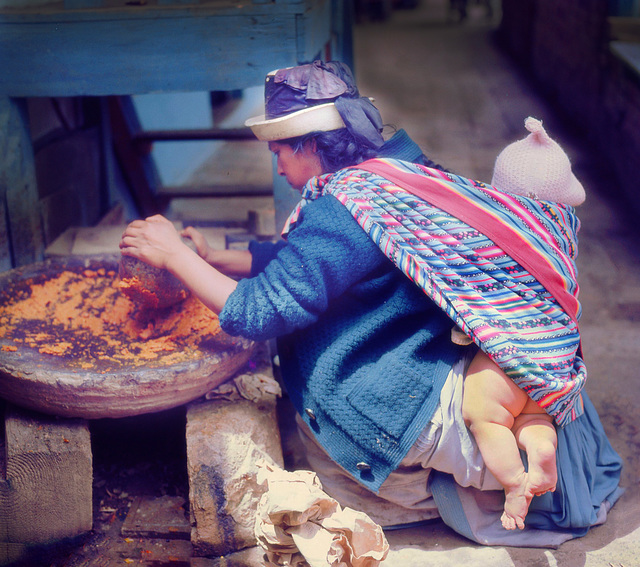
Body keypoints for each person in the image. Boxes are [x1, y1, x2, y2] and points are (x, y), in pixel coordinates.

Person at [120, 61, 622, 546]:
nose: (278, 165)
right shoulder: (396, 170)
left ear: (311, 144)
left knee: (334, 467)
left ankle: (424, 488)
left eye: (281, 152)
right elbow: (315, 260)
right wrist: (220, 258)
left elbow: (261, 310)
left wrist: (176, 257)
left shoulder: (347, 206)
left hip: (411, 399)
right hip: (436, 353)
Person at [460, 116, 587, 530]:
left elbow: (478, 288)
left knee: (485, 415)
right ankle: (542, 449)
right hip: (555, 356)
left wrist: (466, 328)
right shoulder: (564, 231)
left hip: (510, 355)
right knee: (533, 417)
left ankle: (515, 481)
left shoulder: (492, 233)